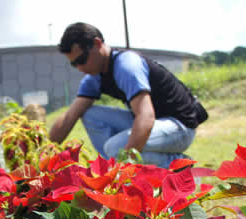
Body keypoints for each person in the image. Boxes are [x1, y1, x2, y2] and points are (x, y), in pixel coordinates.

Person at [49, 22, 207, 169]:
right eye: (73, 64)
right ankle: (113, 174)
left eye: (82, 60)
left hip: (180, 126)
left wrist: (122, 165)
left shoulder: (126, 65)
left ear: (97, 44)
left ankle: (179, 167)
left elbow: (146, 116)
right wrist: (44, 154)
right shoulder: (94, 77)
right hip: (155, 124)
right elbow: (70, 116)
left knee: (115, 148)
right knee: (90, 114)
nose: (79, 67)